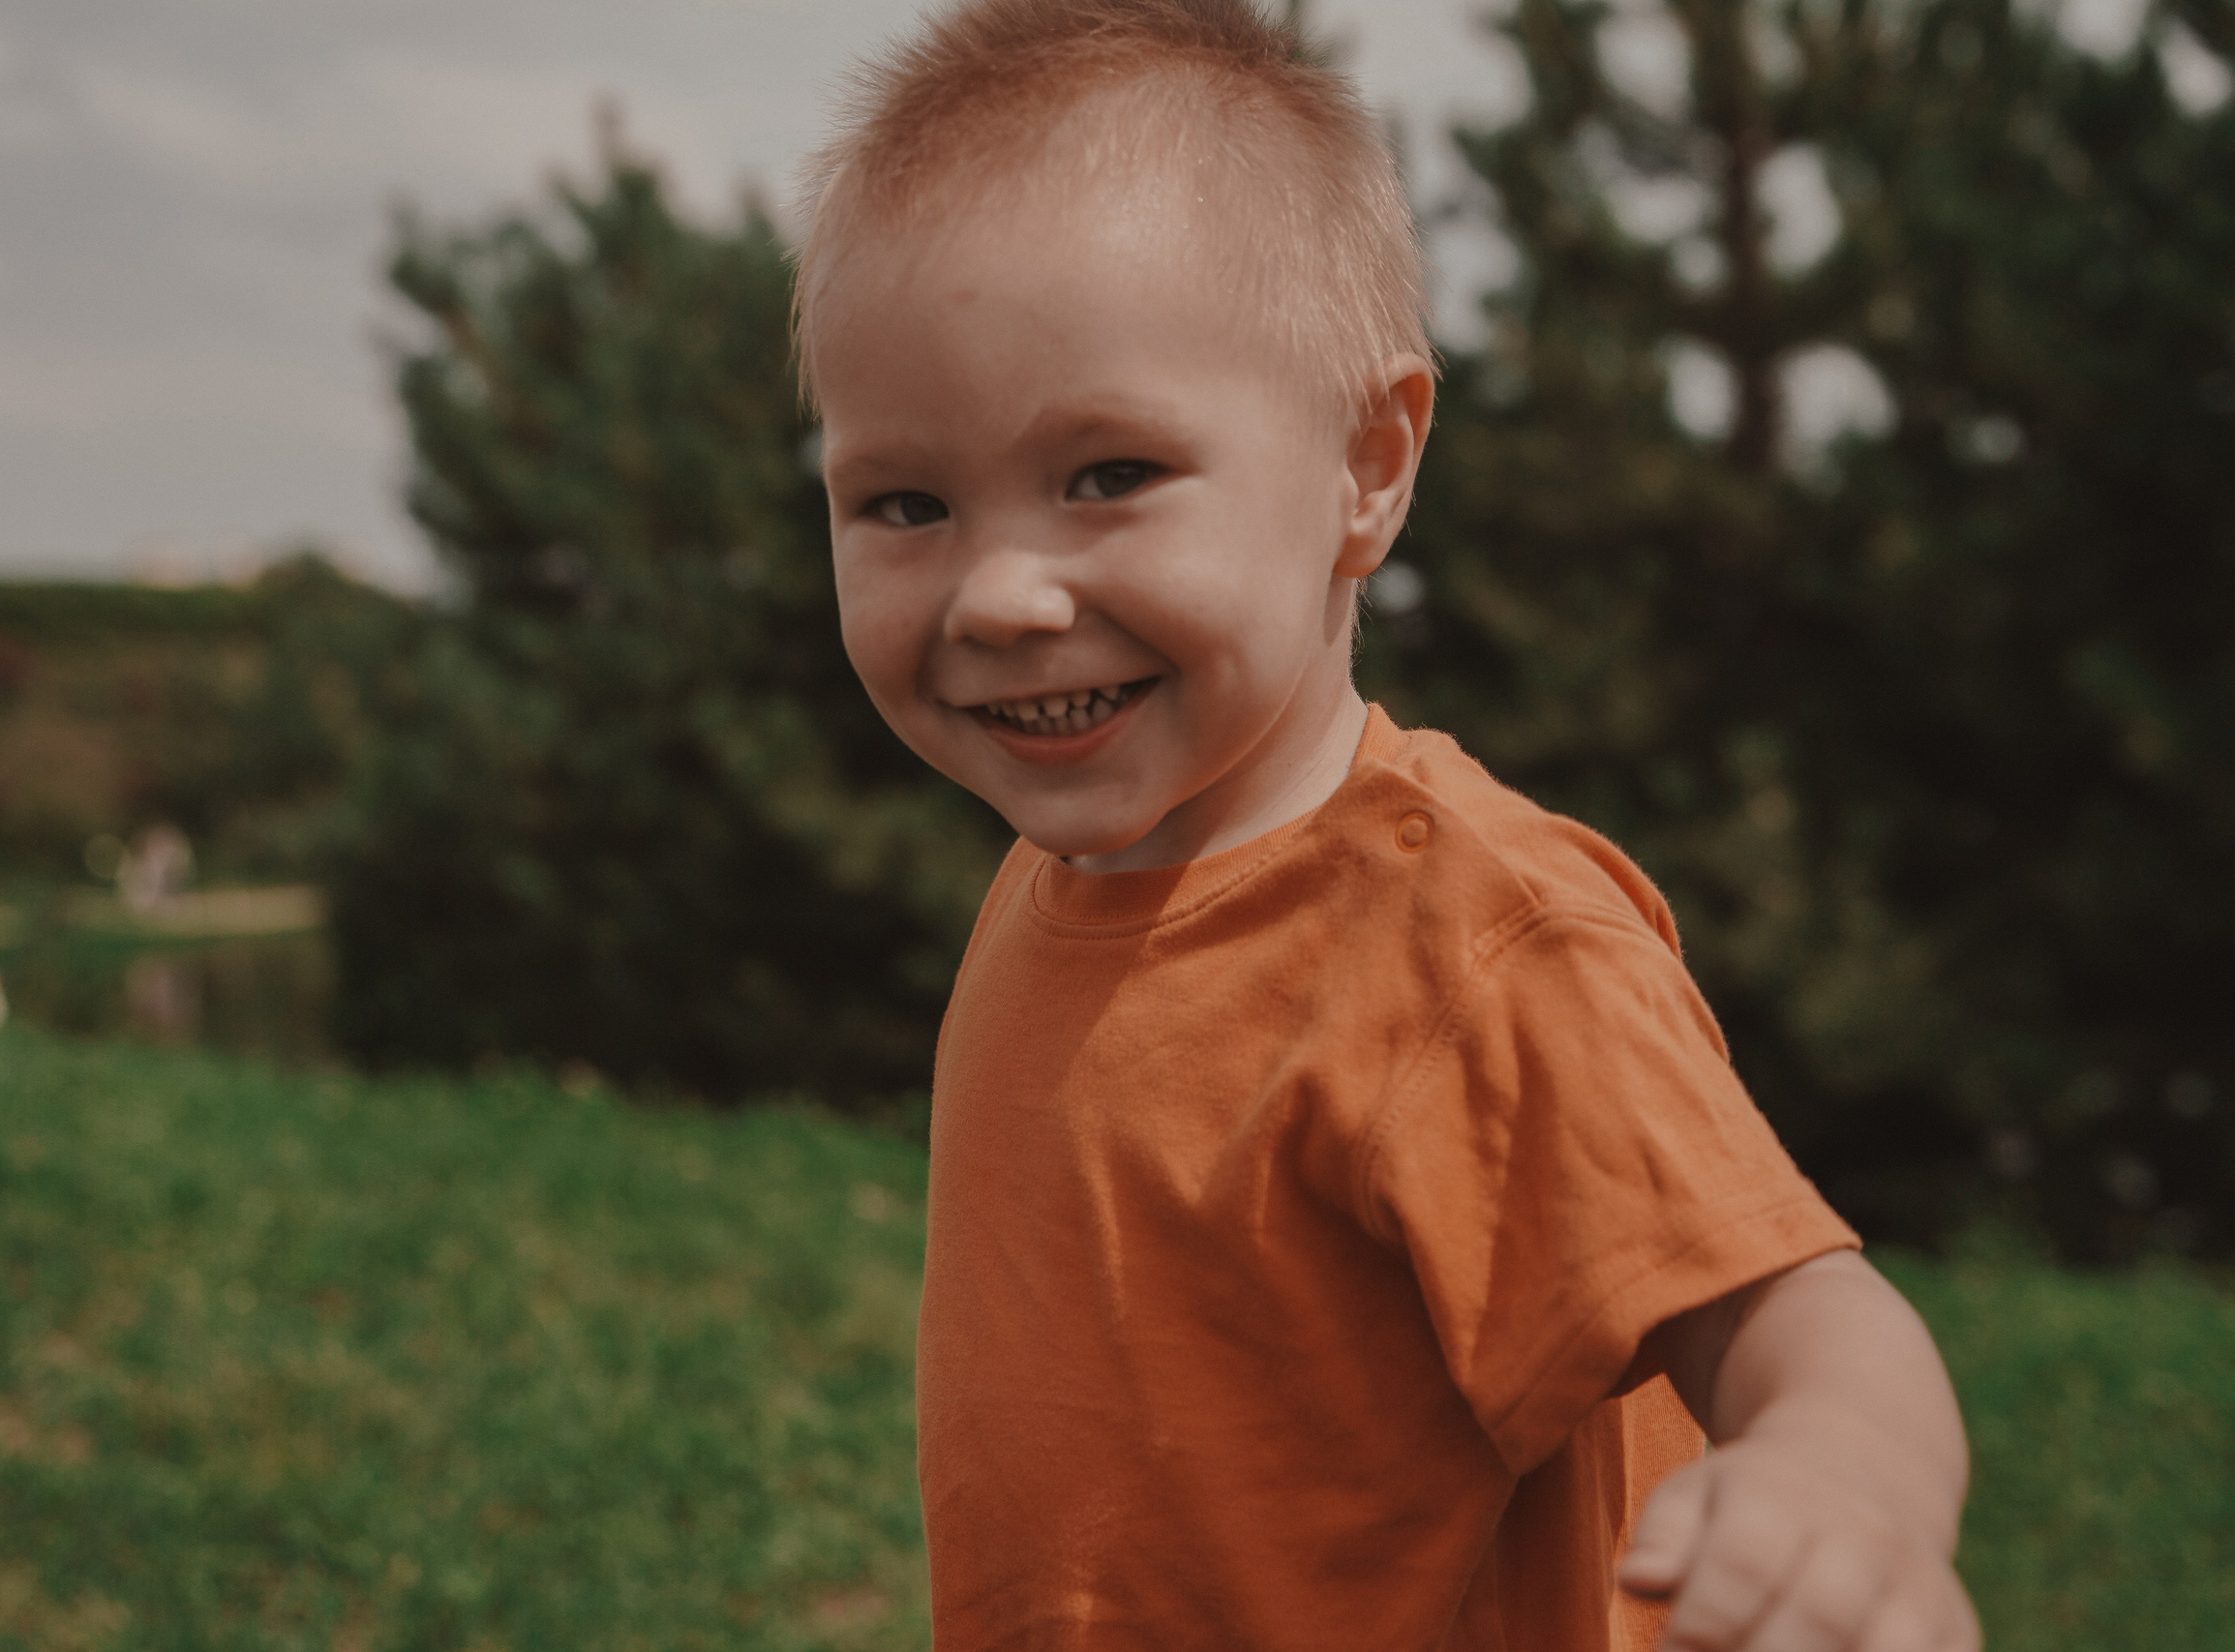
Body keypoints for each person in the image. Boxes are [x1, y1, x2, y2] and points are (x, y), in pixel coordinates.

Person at [794, 2, 1979, 1646]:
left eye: (1110, 473)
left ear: (1369, 464)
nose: (1000, 593)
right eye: (903, 503)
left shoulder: (1470, 948)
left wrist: (1842, 1484)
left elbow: (1803, 1316)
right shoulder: (1062, 874)